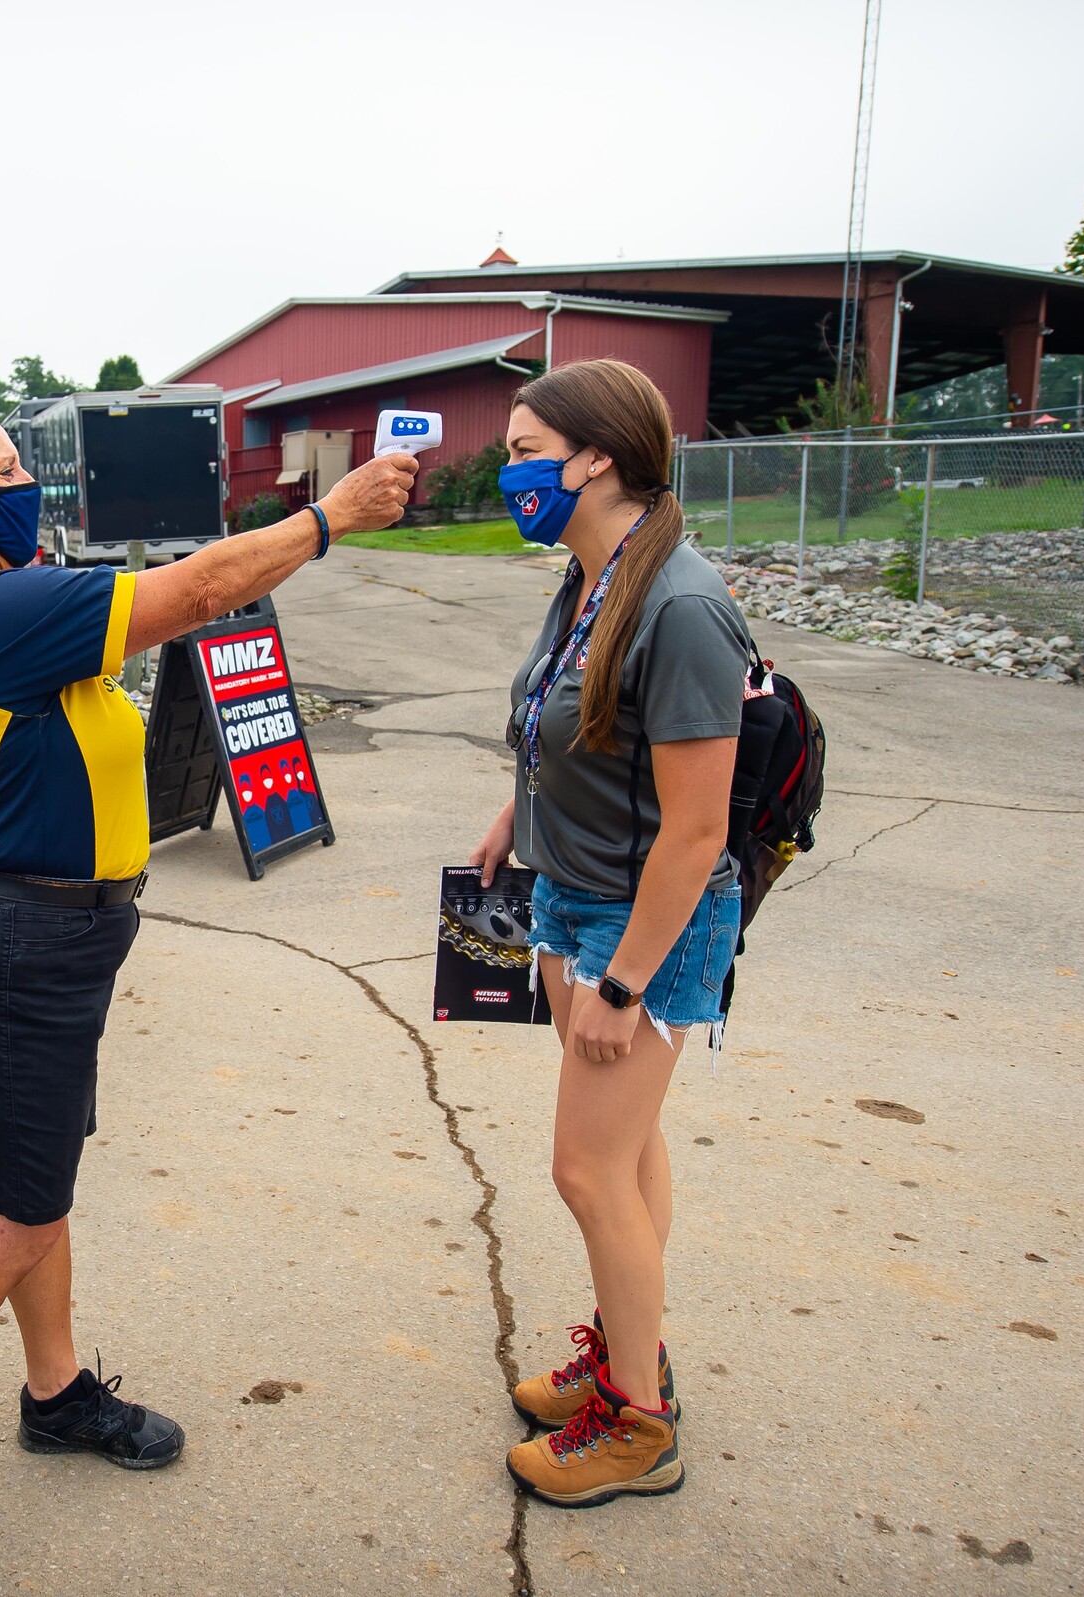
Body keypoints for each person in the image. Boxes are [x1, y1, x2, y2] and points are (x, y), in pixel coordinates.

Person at [0, 401, 415, 1548]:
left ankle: (54, 1394)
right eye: (3, 474)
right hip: (9, 956)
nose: (25, 486)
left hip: (35, 945)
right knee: (13, 1216)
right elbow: (197, 593)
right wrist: (329, 517)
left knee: (36, 1195)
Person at [465, 360, 750, 1509]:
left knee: (583, 1169)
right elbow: (560, 721)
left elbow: (696, 830)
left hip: (646, 928)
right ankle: (636, 1346)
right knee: (625, 1158)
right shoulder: (592, 577)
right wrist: (512, 819)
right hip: (573, 897)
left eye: (528, 447)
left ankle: (637, 1421)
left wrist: (625, 983)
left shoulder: (680, 605)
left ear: (597, 459)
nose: (509, 467)